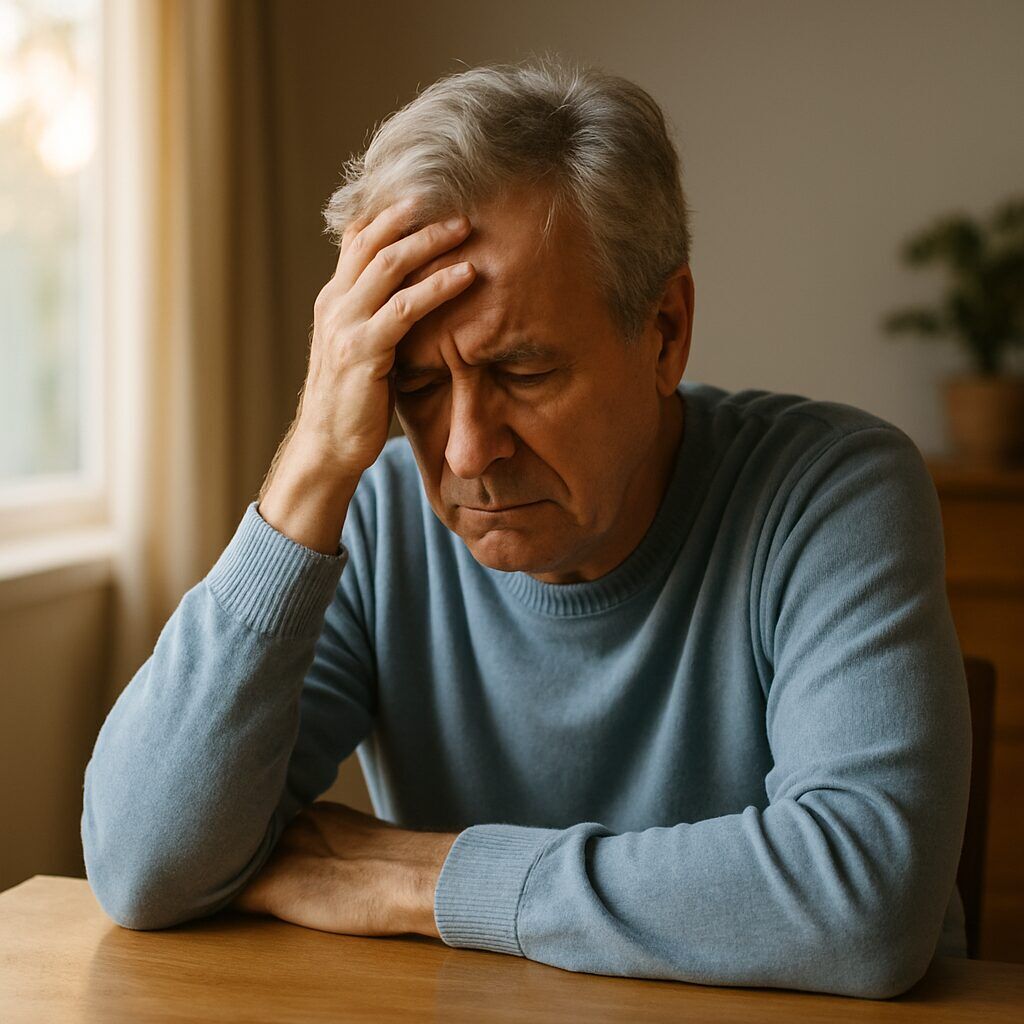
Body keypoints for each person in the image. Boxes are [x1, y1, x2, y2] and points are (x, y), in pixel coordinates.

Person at [81, 55, 971, 1000]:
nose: (467, 451)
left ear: (665, 330)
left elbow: (866, 906)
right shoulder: (379, 518)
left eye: (525, 372)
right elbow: (144, 864)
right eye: (416, 385)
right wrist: (310, 464)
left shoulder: (831, 490)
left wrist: (421, 877)